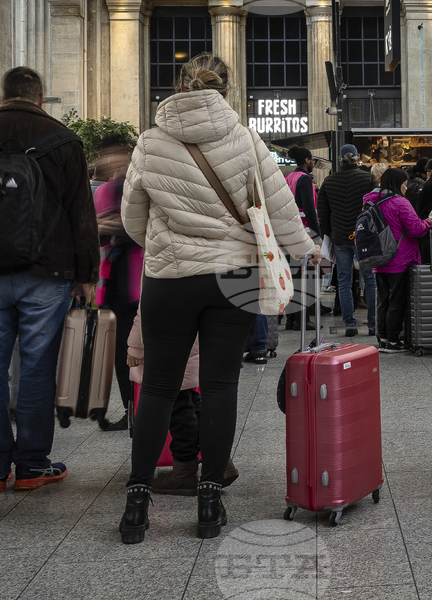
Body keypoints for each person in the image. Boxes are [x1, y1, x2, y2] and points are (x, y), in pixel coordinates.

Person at [118, 52, 318, 544]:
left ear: (178, 86)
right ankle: (209, 500)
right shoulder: (247, 139)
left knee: (160, 387)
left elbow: (131, 217)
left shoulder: (150, 141)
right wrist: (307, 250)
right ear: (226, 90)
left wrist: (168, 246)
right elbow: (279, 205)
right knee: (221, 384)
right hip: (235, 274)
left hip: (170, 277)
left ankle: (136, 506)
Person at [0, 67, 99, 490]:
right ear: (41, 98)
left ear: (2, 93)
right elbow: (82, 213)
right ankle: (31, 464)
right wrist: (87, 274)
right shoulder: (64, 141)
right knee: (37, 367)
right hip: (48, 273)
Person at [127, 309, 238, 495]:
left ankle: (184, 471)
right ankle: (221, 461)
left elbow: (145, 308)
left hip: (167, 345)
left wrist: (135, 347)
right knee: (192, 402)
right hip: (193, 344)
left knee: (179, 410)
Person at [94, 142, 143, 431]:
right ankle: (131, 410)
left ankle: (141, 411)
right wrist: (99, 228)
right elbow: (96, 232)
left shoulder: (141, 185)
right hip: (113, 283)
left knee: (138, 350)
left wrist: (119, 227)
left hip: (140, 279)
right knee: (121, 352)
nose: (115, 162)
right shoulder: (102, 190)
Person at [363, 168, 432, 353]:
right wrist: (429, 222)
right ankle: (393, 340)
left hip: (378, 257)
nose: (406, 186)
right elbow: (416, 229)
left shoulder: (370, 201)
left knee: (383, 299)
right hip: (399, 258)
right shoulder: (400, 202)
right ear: (397, 183)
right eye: (404, 183)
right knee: (397, 300)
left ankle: (383, 338)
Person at [316, 143, 377, 337]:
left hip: (340, 237)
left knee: (344, 280)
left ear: (340, 159)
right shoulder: (368, 179)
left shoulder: (329, 181)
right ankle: (373, 324)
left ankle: (350, 324)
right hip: (364, 237)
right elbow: (374, 209)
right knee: (370, 279)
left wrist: (330, 234)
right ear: (358, 157)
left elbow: (323, 214)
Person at [283, 145, 321, 332]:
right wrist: (317, 236)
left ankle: (291, 319)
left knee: (292, 276)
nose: (313, 162)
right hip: (304, 232)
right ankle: (303, 319)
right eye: (312, 159)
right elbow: (310, 209)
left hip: (288, 232)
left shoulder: (288, 178)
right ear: (306, 160)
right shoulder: (305, 179)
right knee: (304, 278)